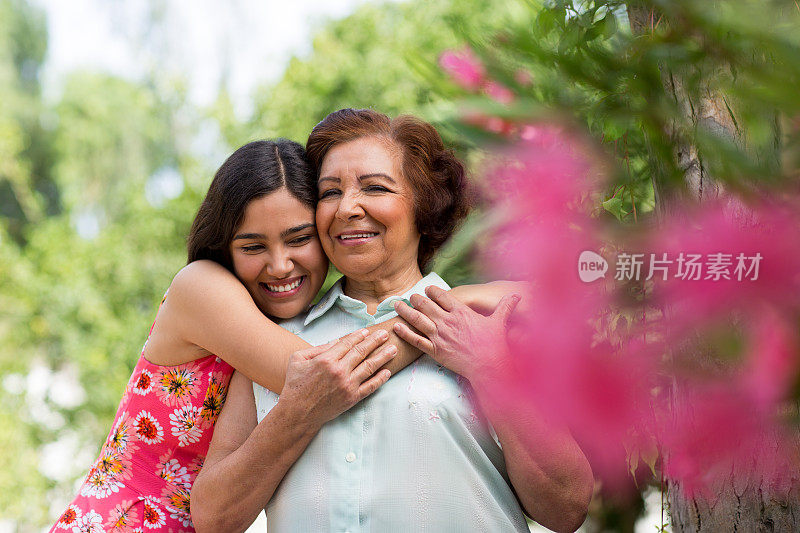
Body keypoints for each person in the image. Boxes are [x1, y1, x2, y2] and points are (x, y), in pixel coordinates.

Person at [191, 109, 594, 533]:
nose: (347, 208)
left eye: (375, 188)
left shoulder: (494, 325)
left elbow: (566, 509)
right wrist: (297, 413)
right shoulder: (270, 342)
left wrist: (493, 369)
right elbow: (214, 519)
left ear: (425, 205)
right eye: (330, 193)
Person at [49, 139, 419, 532]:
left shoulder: (289, 326)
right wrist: (451, 307)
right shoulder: (201, 286)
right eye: (253, 246)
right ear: (224, 245)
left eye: (298, 239)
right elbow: (324, 376)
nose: (279, 266)